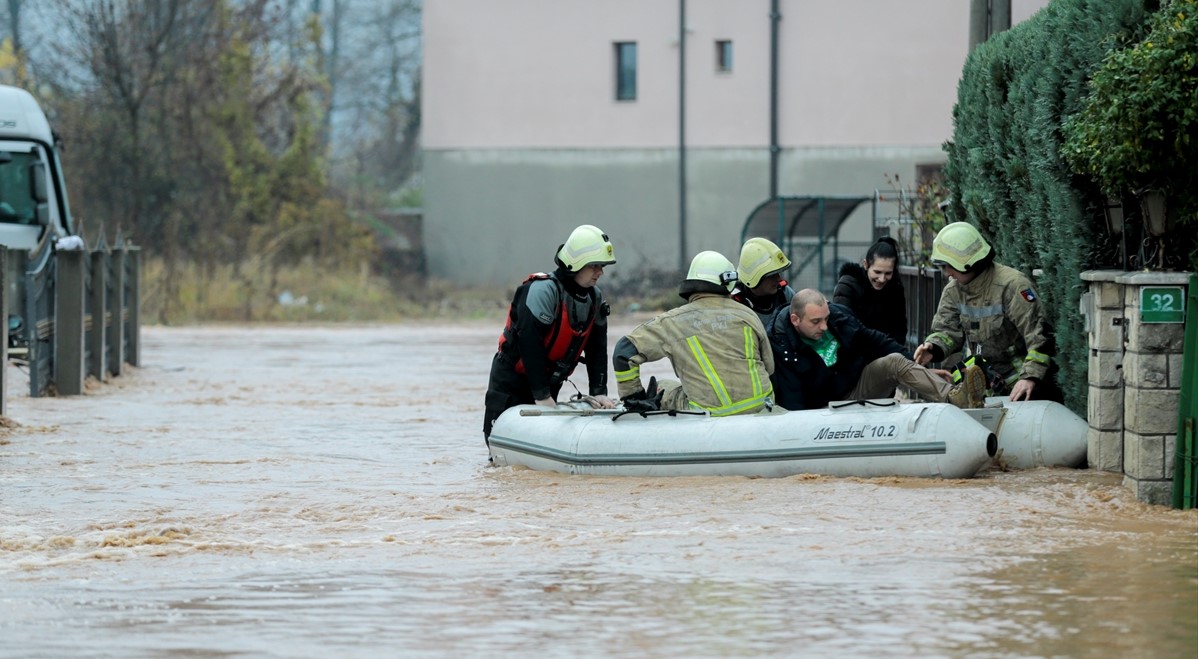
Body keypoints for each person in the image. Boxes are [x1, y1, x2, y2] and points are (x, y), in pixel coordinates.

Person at [483, 224, 617, 444]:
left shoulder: (595, 298)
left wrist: (599, 390)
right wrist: (542, 396)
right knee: (499, 453)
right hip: (512, 382)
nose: (600, 272)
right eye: (594, 266)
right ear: (576, 264)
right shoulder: (543, 291)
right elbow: (529, 343)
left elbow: (597, 347)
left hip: (548, 381)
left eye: (601, 266)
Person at [912, 222, 1062, 403]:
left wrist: (1029, 377)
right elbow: (946, 331)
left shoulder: (1012, 286)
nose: (947, 273)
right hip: (982, 388)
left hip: (1022, 391)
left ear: (967, 263)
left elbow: (1040, 337)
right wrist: (933, 347)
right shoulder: (953, 291)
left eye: (948, 266)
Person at [767, 289, 987, 411]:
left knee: (894, 361)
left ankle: (956, 397)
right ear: (795, 319)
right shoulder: (780, 345)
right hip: (822, 409)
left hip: (856, 387)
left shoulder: (838, 316)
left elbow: (876, 340)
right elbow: (792, 400)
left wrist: (918, 368)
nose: (824, 327)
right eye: (816, 322)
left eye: (826, 318)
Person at [613, 251, 774, 416]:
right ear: (729, 283)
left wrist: (635, 399)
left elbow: (624, 352)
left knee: (663, 386)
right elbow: (769, 367)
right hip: (761, 407)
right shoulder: (747, 314)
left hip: (709, 414)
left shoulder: (671, 322)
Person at [832, 236, 908, 344]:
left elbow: (899, 329)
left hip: (885, 352)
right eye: (877, 272)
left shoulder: (895, 288)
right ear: (866, 264)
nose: (882, 279)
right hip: (854, 353)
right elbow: (842, 326)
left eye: (888, 273)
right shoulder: (848, 285)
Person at [731, 237, 795, 326]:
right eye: (772, 275)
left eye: (778, 273)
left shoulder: (785, 294)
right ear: (753, 277)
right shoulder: (734, 302)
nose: (779, 279)